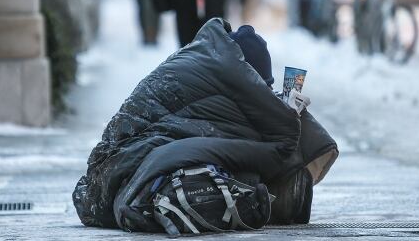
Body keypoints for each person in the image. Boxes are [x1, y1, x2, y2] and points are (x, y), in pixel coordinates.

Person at [73, 18, 338, 233]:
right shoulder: (225, 72)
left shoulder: (206, 58)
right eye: (262, 86)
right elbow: (279, 142)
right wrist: (289, 114)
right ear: (250, 77)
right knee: (256, 163)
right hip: (121, 170)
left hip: (107, 173)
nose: (264, 92)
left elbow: (212, 127)